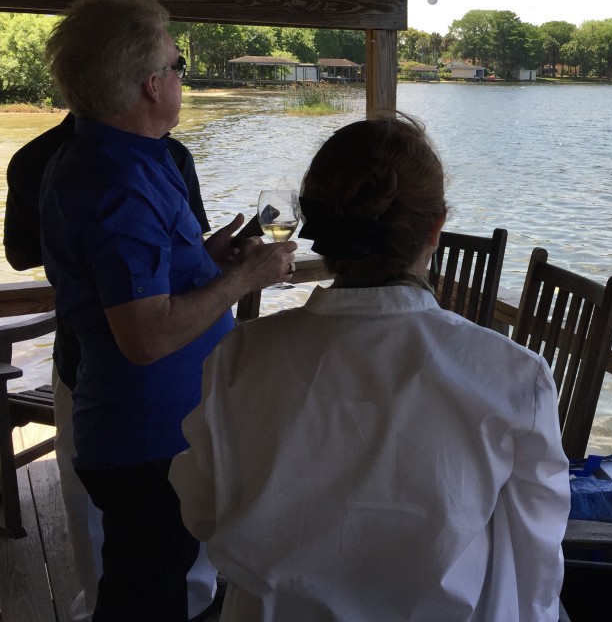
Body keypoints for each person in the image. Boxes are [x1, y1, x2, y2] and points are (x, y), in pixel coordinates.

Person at [170, 115, 570, 621]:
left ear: (321, 229)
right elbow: (533, 564)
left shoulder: (239, 358)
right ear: (436, 228)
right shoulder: (512, 377)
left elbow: (202, 509)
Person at [38, 0, 296, 622]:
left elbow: (141, 280)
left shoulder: (131, 163)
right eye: (178, 65)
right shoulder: (116, 183)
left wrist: (209, 258)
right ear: (152, 85)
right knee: (144, 598)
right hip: (146, 440)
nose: (184, 76)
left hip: (157, 429)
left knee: (154, 584)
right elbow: (145, 337)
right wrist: (247, 279)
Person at [3, 113, 222, 622]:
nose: (178, 81)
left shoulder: (166, 155)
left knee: (130, 525)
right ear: (142, 81)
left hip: (137, 367)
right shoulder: (143, 158)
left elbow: (184, 256)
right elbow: (23, 255)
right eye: (174, 68)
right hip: (109, 373)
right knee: (125, 530)